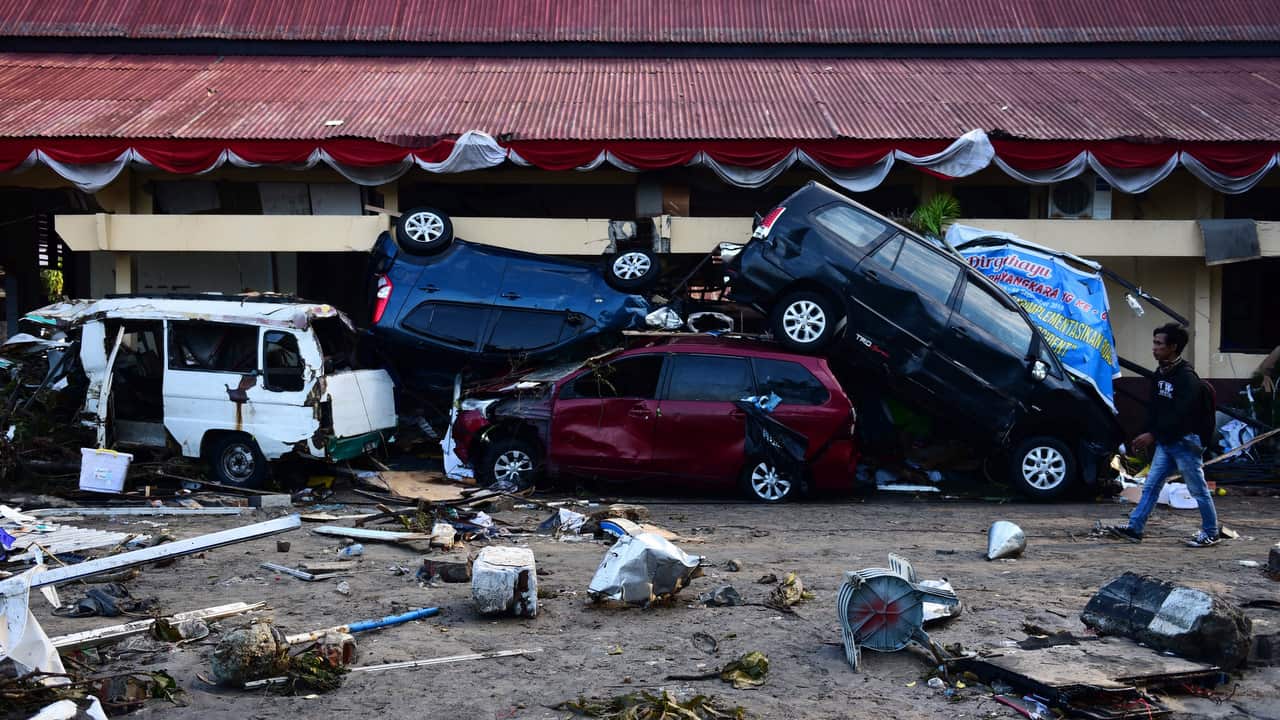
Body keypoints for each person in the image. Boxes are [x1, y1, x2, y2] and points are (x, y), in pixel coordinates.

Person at [1107, 323, 1221, 547]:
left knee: (1197, 489)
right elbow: (1156, 409)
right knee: (1151, 486)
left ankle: (1211, 532)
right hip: (1166, 442)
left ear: (1173, 347)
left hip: (1186, 442)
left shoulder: (1187, 379)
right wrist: (1148, 433)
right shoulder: (1160, 374)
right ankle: (1134, 529)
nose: (1154, 348)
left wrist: (1152, 434)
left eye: (1159, 344)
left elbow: (1181, 416)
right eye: (1154, 343)